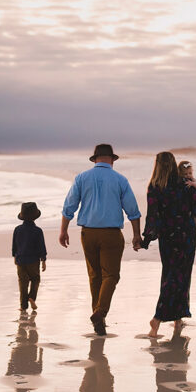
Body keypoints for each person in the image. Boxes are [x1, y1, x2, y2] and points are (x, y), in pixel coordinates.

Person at [60, 143, 143, 335]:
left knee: (95, 276)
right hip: (111, 234)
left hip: (87, 233)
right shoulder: (120, 180)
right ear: (112, 160)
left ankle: (98, 320)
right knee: (111, 276)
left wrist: (63, 230)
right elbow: (133, 211)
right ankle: (100, 312)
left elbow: (69, 207)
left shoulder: (81, 178)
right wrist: (136, 235)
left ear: (95, 159)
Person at [142, 152, 196, 338]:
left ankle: (178, 320)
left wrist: (145, 240)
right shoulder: (186, 184)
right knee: (183, 276)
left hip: (168, 238)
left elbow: (152, 217)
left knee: (170, 275)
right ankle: (158, 319)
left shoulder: (154, 186)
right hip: (186, 237)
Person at [12, 202, 47, 312]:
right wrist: (43, 259)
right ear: (35, 217)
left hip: (20, 260)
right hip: (33, 260)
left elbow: (14, 244)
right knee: (35, 279)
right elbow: (41, 246)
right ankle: (32, 297)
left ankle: (23, 306)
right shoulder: (38, 231)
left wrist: (14, 256)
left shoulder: (17, 229)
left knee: (22, 282)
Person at [177, 160, 196, 233]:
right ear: (180, 173)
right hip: (188, 204)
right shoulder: (180, 180)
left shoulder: (192, 179)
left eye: (190, 173)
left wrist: (192, 183)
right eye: (185, 174)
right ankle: (195, 226)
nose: (188, 175)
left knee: (195, 215)